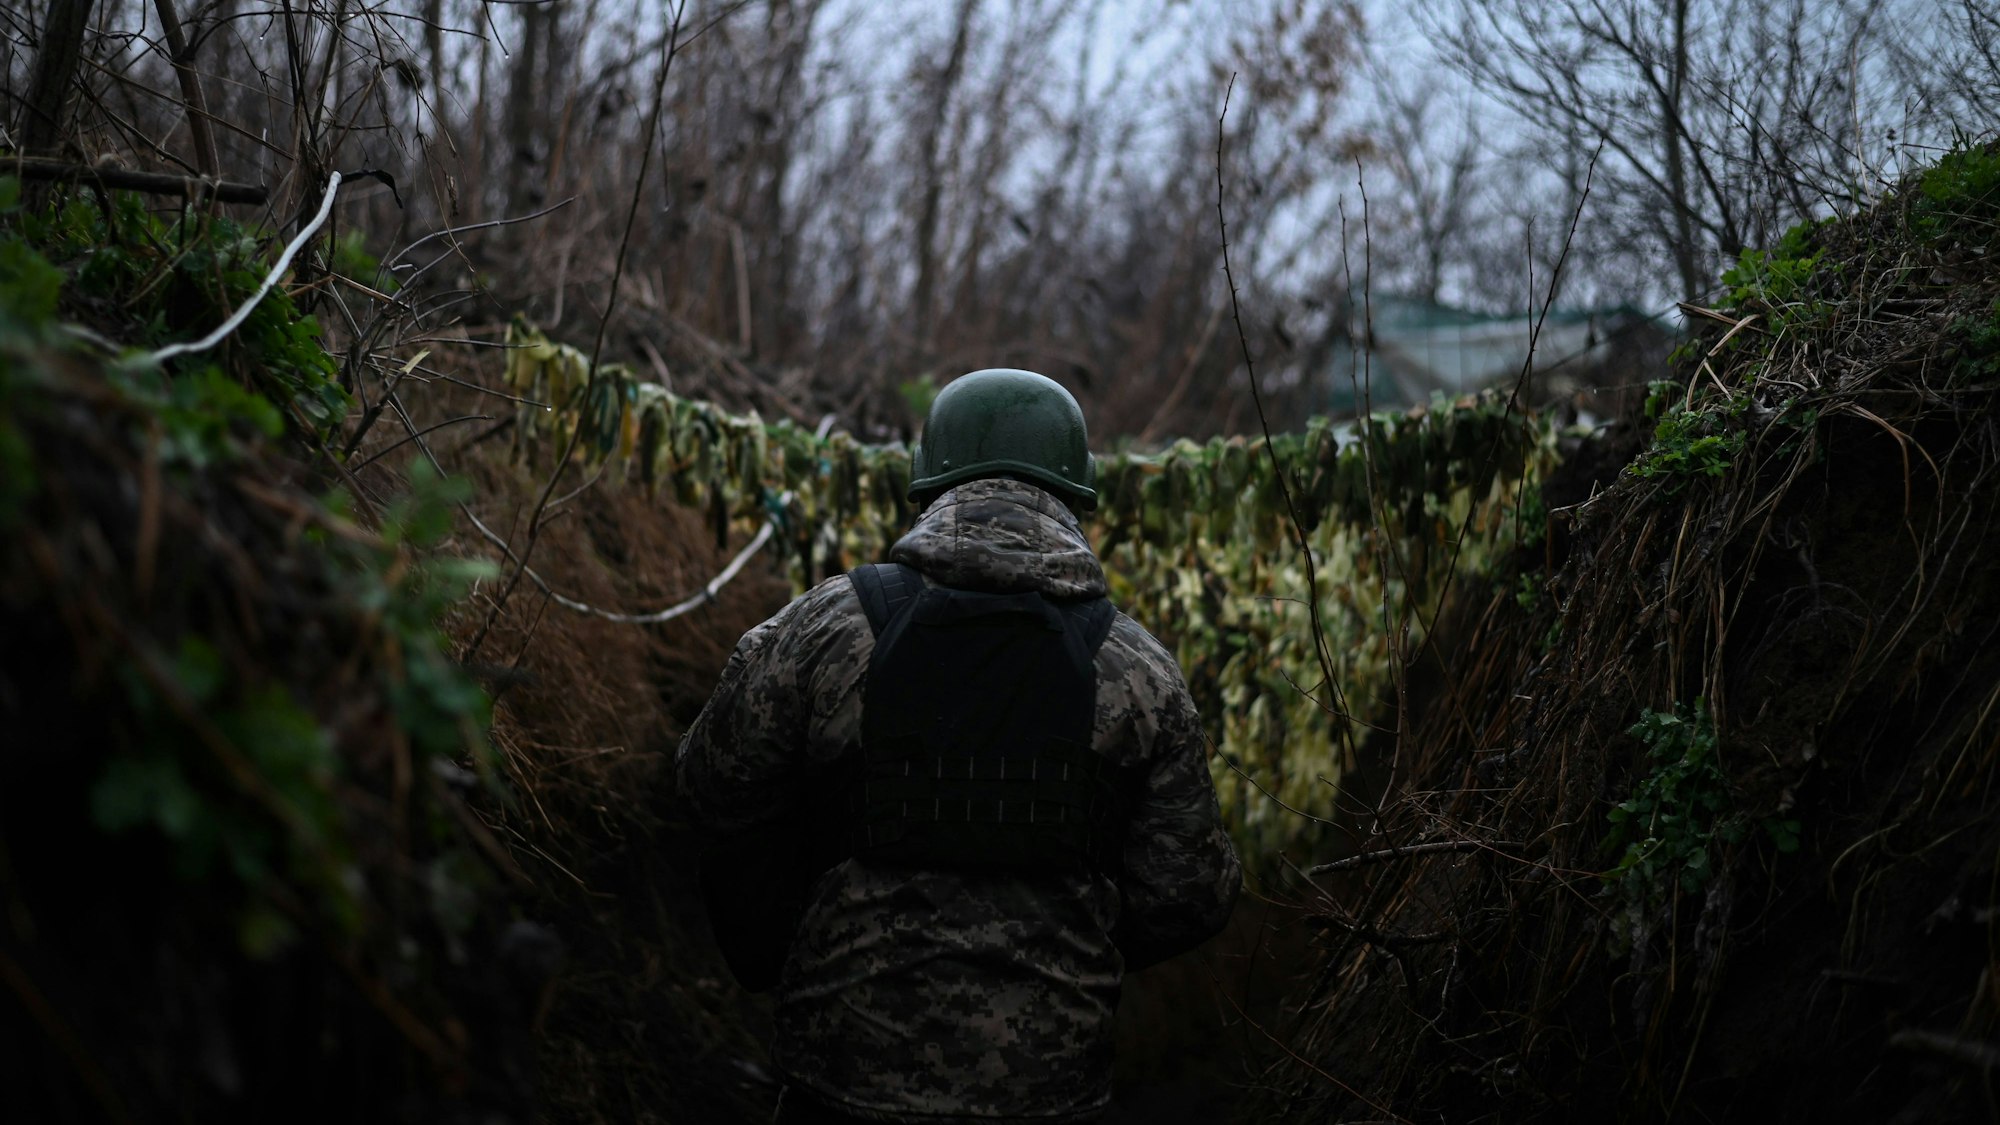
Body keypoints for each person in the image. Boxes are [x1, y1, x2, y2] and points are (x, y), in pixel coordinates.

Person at [675, 368, 1241, 1124]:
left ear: (931, 484)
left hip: (842, 1079)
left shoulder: (825, 628)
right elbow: (1191, 893)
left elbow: (708, 784)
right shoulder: (1141, 671)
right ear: (1077, 498)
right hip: (1050, 1091)